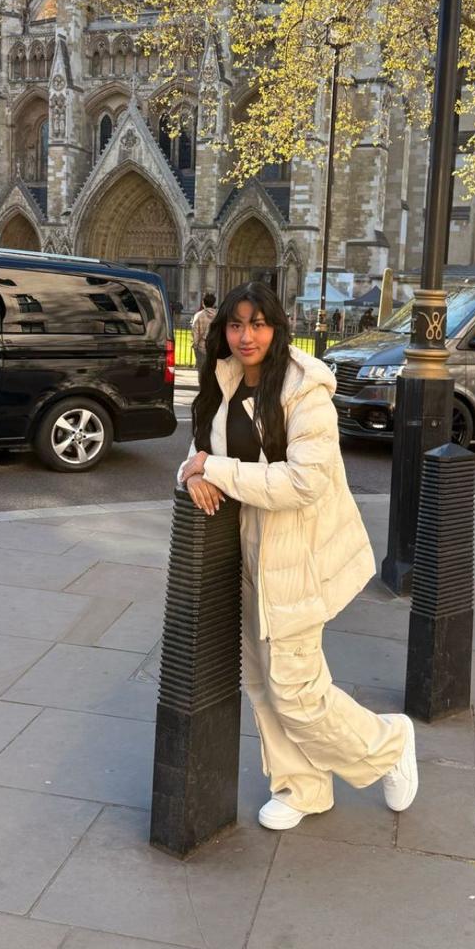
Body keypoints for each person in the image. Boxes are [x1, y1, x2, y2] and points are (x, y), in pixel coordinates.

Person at [177, 281, 418, 831]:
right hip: (244, 554)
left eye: (258, 324)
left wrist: (215, 471)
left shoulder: (306, 390)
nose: (246, 336)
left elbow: (305, 482)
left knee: (296, 691)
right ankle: (302, 787)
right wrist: (194, 475)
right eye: (236, 325)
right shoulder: (223, 379)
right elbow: (198, 453)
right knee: (262, 684)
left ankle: (388, 743)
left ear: (277, 328)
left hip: (298, 554)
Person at [191, 292, 217, 373]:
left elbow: (195, 333)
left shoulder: (198, 315)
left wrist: (195, 346)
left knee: (202, 373)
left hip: (202, 348)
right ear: (214, 303)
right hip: (215, 348)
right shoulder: (219, 315)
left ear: (203, 303)